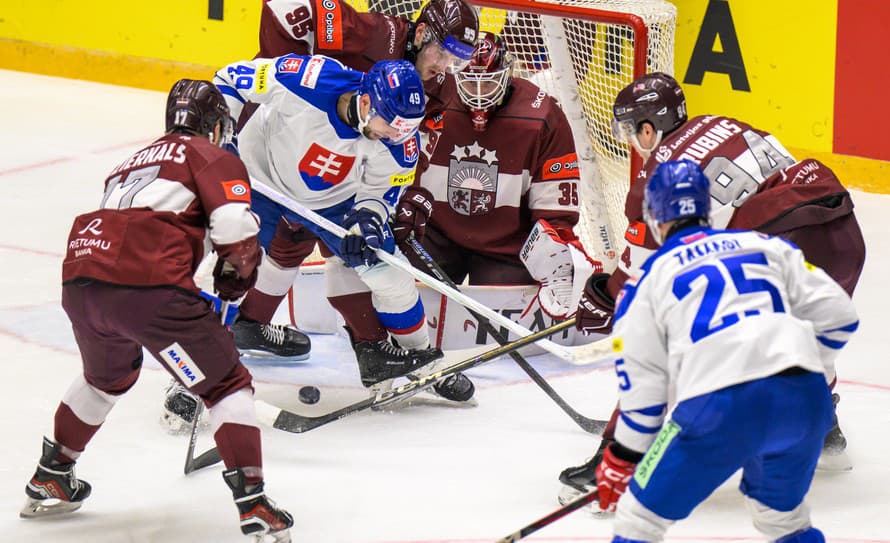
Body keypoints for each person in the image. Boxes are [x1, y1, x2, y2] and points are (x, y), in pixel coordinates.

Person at [558, 72, 866, 507]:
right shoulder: (722, 122)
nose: (631, 141)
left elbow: (637, 278)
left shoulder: (656, 179)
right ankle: (826, 432)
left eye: (631, 130)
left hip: (784, 241)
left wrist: (603, 297)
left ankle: (617, 461)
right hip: (843, 233)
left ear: (648, 127)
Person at [21, 80, 293, 542]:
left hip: (82, 280)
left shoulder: (129, 161)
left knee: (104, 379)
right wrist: (238, 275)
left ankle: (52, 474)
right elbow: (233, 227)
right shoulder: (212, 155)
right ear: (213, 124)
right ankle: (253, 503)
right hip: (145, 285)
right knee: (226, 384)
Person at [590, 159, 857, 543]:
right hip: (806, 401)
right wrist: (801, 365)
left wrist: (624, 457)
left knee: (638, 521)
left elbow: (644, 391)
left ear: (653, 217)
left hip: (719, 406)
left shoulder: (643, 285)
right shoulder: (765, 245)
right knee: (782, 517)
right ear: (707, 207)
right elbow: (840, 315)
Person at [213, 54, 475, 401]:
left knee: (391, 276)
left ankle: (423, 365)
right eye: (391, 124)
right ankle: (198, 371)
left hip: (334, 204)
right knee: (232, 268)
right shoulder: (307, 79)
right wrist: (224, 136)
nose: (397, 135)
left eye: (406, 127)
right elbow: (229, 78)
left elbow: (380, 194)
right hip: (258, 180)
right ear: (365, 102)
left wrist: (368, 219)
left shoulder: (400, 143)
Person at [394, 32, 600, 317]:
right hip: (436, 233)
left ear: (507, 75)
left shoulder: (542, 115)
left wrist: (556, 249)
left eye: (488, 83)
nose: (479, 94)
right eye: (469, 82)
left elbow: (555, 203)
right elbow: (396, 162)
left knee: (504, 322)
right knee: (396, 293)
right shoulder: (430, 97)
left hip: (505, 247)